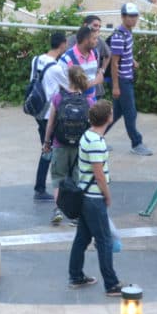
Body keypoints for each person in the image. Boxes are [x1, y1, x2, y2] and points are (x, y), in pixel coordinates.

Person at [67, 100, 123, 296]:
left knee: (82, 238)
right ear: (108, 118)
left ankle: (76, 276)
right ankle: (111, 284)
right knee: (104, 240)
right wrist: (107, 196)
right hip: (94, 198)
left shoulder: (87, 136)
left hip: (84, 195)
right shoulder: (97, 143)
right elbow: (99, 175)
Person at [43, 65, 91, 226]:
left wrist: (47, 142)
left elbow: (50, 124)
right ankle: (76, 215)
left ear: (68, 79)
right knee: (77, 179)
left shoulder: (58, 98)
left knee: (58, 177)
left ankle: (57, 210)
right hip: (79, 147)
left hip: (60, 143)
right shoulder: (88, 101)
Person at [107, 2, 153, 156]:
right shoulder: (119, 36)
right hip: (122, 81)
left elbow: (124, 54)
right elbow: (114, 62)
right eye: (130, 16)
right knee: (130, 113)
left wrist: (132, 61)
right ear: (123, 17)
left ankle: (95, 136)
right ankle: (136, 143)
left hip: (126, 78)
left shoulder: (128, 32)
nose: (133, 19)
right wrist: (115, 86)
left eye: (135, 16)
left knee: (116, 114)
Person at [31, 31, 67, 202]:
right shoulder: (57, 67)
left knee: (47, 149)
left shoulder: (36, 59)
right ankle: (41, 188)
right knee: (51, 149)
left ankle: (41, 186)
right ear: (62, 45)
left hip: (37, 111)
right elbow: (68, 86)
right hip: (49, 114)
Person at [60, 20, 106, 102]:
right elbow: (66, 87)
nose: (97, 41)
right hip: (74, 104)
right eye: (94, 38)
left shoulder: (95, 53)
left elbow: (92, 75)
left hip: (92, 101)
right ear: (85, 40)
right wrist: (96, 81)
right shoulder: (66, 59)